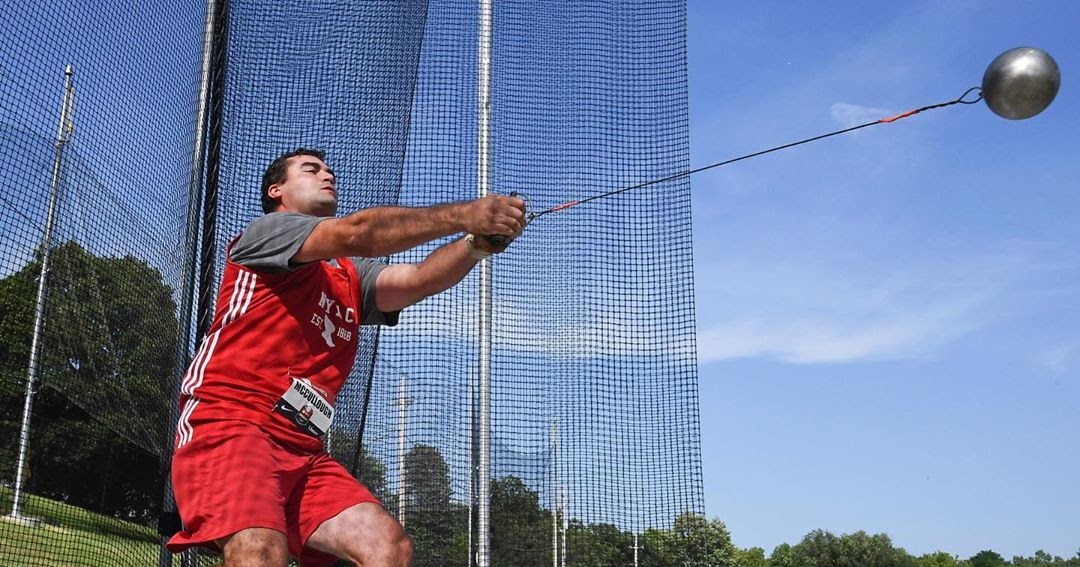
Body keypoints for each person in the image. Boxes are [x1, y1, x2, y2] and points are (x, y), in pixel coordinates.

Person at [166, 148, 526, 567]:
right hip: (233, 423)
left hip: (302, 449)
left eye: (329, 171)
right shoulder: (270, 232)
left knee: (387, 547)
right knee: (259, 550)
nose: (327, 175)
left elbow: (416, 280)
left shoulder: (347, 272)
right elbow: (359, 232)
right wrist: (465, 214)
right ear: (276, 190)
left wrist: (473, 245)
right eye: (311, 169)